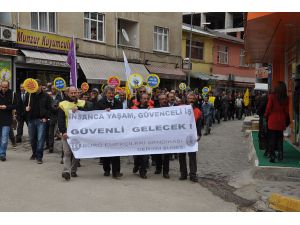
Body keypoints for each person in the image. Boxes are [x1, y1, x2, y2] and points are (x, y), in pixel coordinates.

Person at [58, 86, 86, 180]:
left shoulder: (83, 103)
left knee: (76, 153)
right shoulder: (62, 104)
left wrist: (79, 109)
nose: (74, 94)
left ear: (78, 93)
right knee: (67, 152)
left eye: (75, 92)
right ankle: (66, 171)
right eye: (72, 93)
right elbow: (61, 119)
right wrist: (63, 132)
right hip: (67, 133)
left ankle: (73, 170)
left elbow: (91, 111)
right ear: (68, 93)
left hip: (79, 133)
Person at [95, 85, 123, 179]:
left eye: (112, 93)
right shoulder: (100, 103)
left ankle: (116, 172)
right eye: (109, 93)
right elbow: (96, 115)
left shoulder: (119, 103)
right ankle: (106, 169)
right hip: (105, 131)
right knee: (106, 151)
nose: (111, 94)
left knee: (116, 151)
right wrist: (104, 112)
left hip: (116, 131)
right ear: (105, 94)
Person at [25, 79, 52, 164]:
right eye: (35, 86)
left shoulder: (46, 96)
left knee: (40, 139)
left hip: (41, 120)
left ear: (40, 86)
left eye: (38, 86)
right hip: (31, 120)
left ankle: (39, 157)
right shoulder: (29, 95)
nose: (37, 88)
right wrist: (26, 109)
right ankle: (34, 153)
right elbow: (23, 106)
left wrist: (46, 117)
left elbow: (50, 109)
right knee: (32, 138)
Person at [178, 92, 201, 182]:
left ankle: (193, 175)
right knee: (181, 156)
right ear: (186, 99)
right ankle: (183, 174)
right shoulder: (181, 109)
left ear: (195, 100)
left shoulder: (198, 111)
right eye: (189, 98)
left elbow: (199, 125)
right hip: (182, 135)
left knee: (192, 156)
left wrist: (199, 134)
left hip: (192, 137)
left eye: (193, 99)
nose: (191, 100)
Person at [264, 81, 289, 163]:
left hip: (272, 120)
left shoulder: (272, 96)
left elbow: (268, 108)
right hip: (281, 120)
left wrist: (266, 116)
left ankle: (273, 156)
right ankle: (280, 154)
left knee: (272, 139)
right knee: (280, 138)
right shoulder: (286, 98)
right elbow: (286, 111)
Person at [132, 93, 153, 179]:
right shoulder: (134, 109)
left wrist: (151, 112)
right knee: (137, 155)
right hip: (137, 135)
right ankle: (136, 165)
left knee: (145, 156)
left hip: (146, 135)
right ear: (140, 99)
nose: (145, 100)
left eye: (147, 98)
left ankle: (143, 172)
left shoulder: (151, 109)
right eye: (143, 98)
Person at [153, 94, 171, 179]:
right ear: (159, 100)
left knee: (166, 154)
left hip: (167, 134)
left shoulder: (171, 109)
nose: (164, 100)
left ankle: (166, 171)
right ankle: (158, 168)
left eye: (165, 99)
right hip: (157, 133)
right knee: (157, 153)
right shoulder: (155, 109)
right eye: (162, 99)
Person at [0, 81, 17, 161]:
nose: (3, 89)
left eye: (5, 87)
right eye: (2, 87)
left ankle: (2, 154)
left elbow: (15, 105)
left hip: (7, 119)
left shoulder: (12, 94)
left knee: (4, 138)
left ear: (8, 86)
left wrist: (6, 107)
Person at [47, 85, 63, 153]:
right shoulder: (48, 96)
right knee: (50, 133)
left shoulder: (60, 96)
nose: (53, 90)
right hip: (52, 116)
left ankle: (63, 148)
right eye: (52, 89)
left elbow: (61, 105)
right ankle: (50, 147)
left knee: (61, 131)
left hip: (59, 116)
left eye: (54, 89)